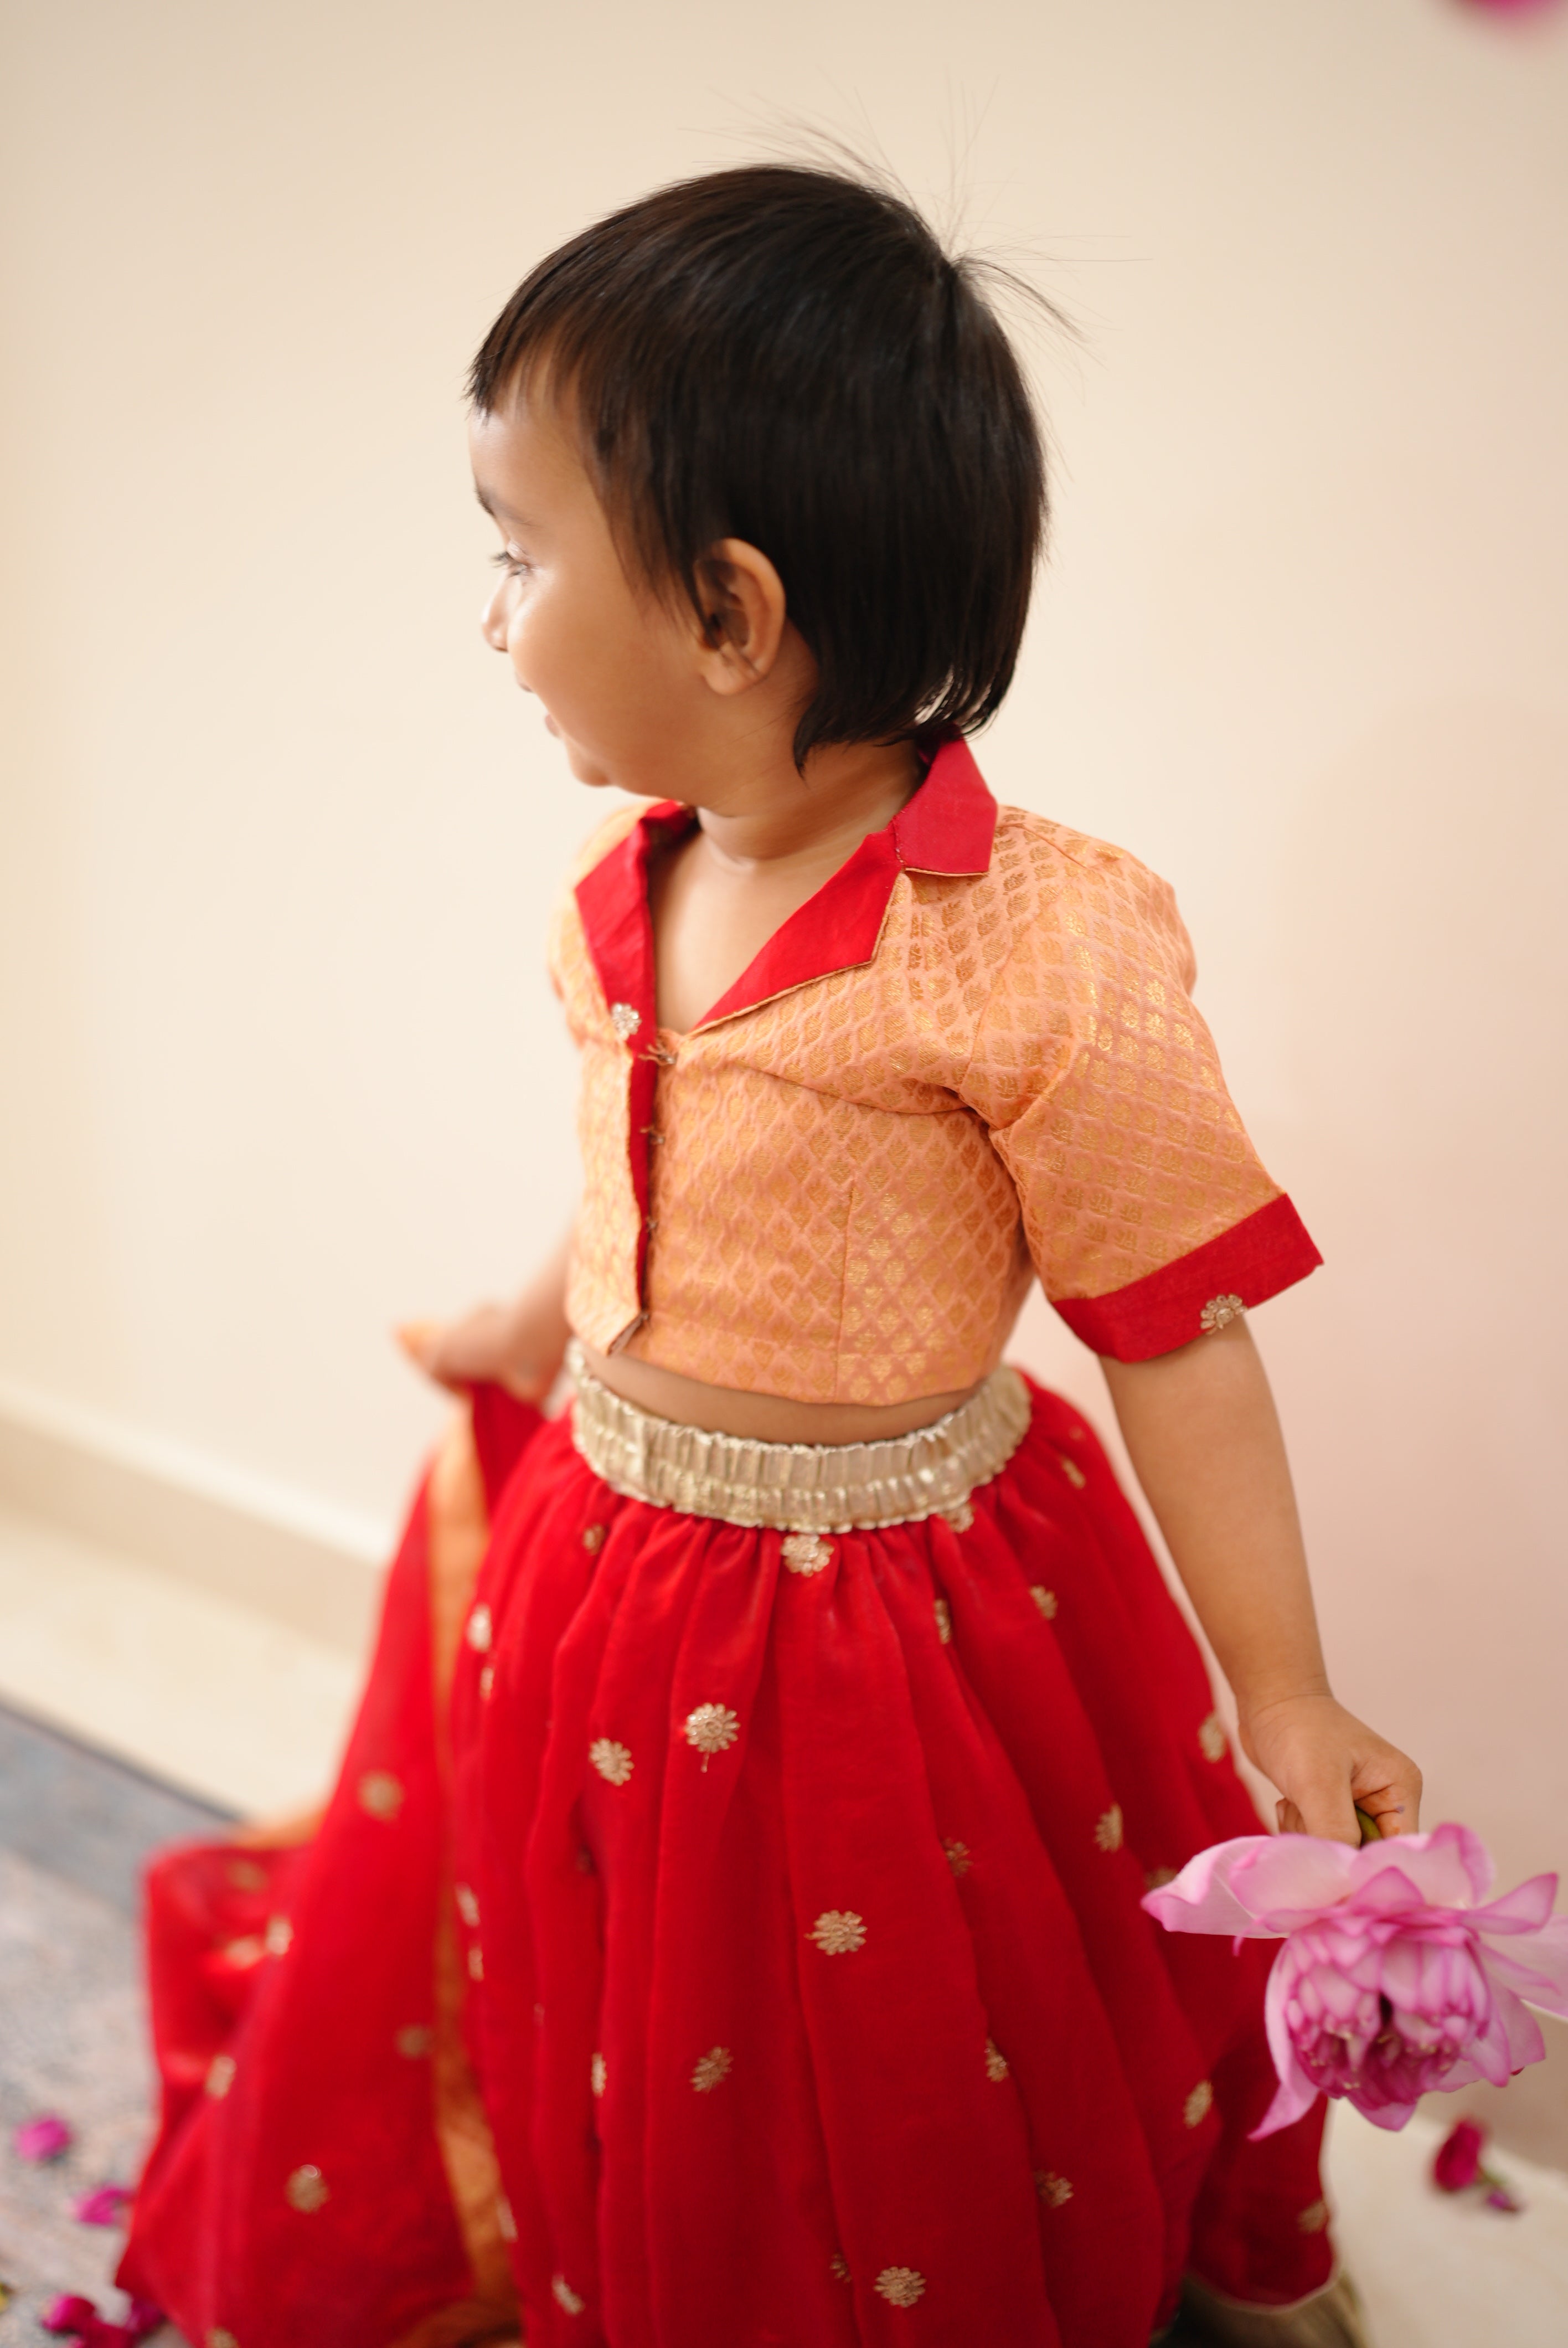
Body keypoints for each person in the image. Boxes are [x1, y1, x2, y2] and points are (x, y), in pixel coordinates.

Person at [119, 164, 1421, 2348]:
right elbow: (634, 1161)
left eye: (520, 559)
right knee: (640, 1988)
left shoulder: (1034, 947)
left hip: (899, 1625)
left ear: (729, 614)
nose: (493, 615)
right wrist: (524, 1327)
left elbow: (1176, 1329)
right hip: (613, 1567)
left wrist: (1277, 1683)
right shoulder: (626, 886)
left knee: (909, 2025)